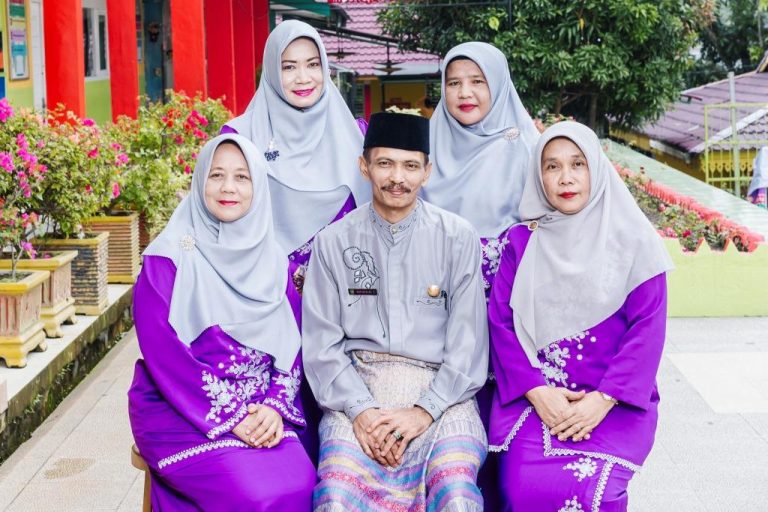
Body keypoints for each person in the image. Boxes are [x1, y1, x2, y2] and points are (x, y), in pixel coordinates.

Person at [302, 112, 489, 511]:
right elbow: (321, 345)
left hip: (444, 394)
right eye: (385, 163)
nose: (397, 178)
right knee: (337, 494)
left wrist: (425, 411)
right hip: (356, 389)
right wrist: (362, 412)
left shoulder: (457, 238)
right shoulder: (333, 242)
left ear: (427, 172)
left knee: (454, 491)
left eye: (410, 166)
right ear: (364, 166)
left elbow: (468, 342)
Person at [487, 121, 674, 511]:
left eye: (578, 164)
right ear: (538, 176)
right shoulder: (521, 241)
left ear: (596, 168)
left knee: (597, 494)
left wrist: (602, 400)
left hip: (613, 402)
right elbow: (501, 323)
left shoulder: (635, 243)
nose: (565, 178)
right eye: (552, 166)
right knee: (521, 489)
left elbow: (647, 330)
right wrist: (537, 392)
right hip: (535, 397)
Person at [128, 134, 315, 511]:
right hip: (181, 408)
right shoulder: (166, 260)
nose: (228, 187)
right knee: (256, 495)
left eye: (242, 177)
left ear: (257, 187)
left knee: (304, 486)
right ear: (200, 181)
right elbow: (166, 357)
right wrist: (232, 417)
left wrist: (274, 405)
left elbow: (293, 345)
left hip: (261, 409)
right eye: (216, 175)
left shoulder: (273, 261)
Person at [223, 20, 369, 291]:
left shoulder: (358, 135)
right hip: (272, 290)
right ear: (271, 71)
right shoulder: (240, 138)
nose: (303, 78)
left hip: (349, 290)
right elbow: (228, 221)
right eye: (288, 67)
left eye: (313, 64)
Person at [425, 41, 539, 295]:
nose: (464, 93)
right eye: (454, 83)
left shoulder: (525, 150)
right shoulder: (425, 147)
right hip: (433, 295)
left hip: (504, 297)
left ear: (497, 84)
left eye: (478, 81)